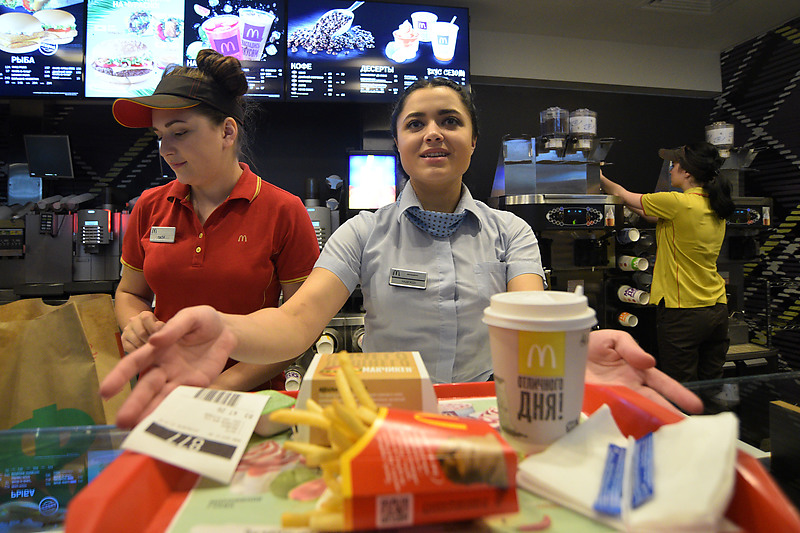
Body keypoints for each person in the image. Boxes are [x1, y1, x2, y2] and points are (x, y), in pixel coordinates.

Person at [100, 78, 703, 428]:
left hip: (486, 412)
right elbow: (292, 325)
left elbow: (527, 322)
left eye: (449, 121)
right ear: (399, 144)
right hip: (387, 419)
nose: (432, 132)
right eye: (416, 124)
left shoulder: (511, 234)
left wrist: (572, 357)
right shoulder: (360, 235)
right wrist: (223, 329)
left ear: (472, 142)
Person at [111, 49, 320, 391]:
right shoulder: (150, 205)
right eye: (159, 135)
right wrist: (136, 324)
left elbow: (298, 329)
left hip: (248, 400)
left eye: (179, 132)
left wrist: (218, 388)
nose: (164, 149)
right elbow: (130, 292)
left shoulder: (283, 210)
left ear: (226, 132)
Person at [600, 142, 735, 382]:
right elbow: (648, 213)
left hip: (683, 313)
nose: (670, 168)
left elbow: (622, 195)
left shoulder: (677, 202)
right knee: (711, 384)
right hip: (717, 309)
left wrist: (596, 175)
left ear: (687, 172)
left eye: (675, 164)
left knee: (681, 388)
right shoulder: (715, 204)